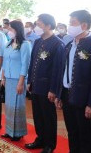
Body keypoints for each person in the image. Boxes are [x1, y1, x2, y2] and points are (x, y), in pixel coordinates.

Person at [55, 10, 91, 153]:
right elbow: (64, 71)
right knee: (72, 131)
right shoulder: (69, 44)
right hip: (67, 95)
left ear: (84, 25)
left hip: (83, 97)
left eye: (72, 23)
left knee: (85, 133)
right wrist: (59, 94)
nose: (69, 26)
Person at [25, 14, 64, 153]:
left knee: (48, 117)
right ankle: (40, 139)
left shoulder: (57, 43)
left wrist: (53, 90)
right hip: (35, 85)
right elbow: (32, 63)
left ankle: (50, 144)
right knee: (38, 115)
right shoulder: (37, 41)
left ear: (48, 25)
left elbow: (57, 70)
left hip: (47, 87)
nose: (37, 27)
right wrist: (29, 80)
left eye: (39, 24)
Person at [1, 20, 31, 141]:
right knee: (9, 106)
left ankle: (18, 132)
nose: (9, 32)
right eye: (8, 29)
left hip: (18, 79)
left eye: (11, 29)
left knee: (17, 106)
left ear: (17, 30)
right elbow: (5, 60)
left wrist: (21, 82)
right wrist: (3, 77)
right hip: (8, 78)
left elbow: (25, 64)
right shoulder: (9, 43)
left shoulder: (25, 44)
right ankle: (9, 130)